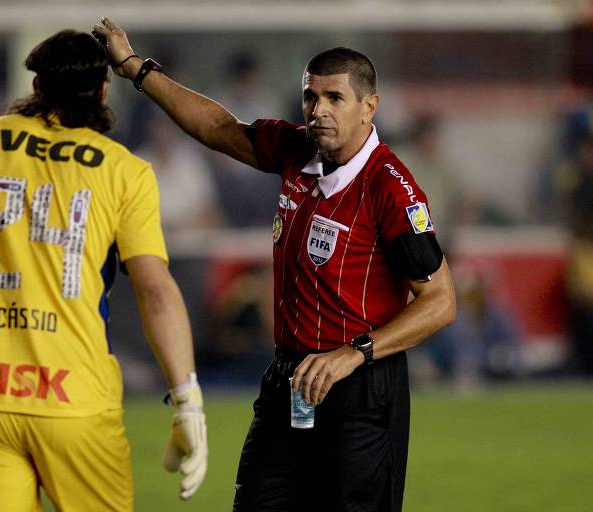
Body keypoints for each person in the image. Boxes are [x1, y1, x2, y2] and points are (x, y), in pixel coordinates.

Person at [93, 18, 456, 511]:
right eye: (311, 97)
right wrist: (136, 69)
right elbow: (217, 127)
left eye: (334, 98)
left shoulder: (390, 188)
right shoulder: (296, 150)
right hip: (290, 377)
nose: (318, 110)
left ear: (370, 106)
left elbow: (439, 301)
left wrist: (354, 353)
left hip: (361, 388)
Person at [0, 30, 207, 511]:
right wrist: (187, 399)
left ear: (36, 88)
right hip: (76, 401)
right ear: (102, 90)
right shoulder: (125, 170)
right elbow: (155, 289)